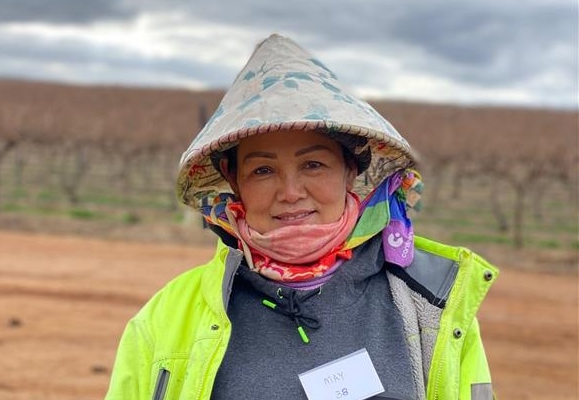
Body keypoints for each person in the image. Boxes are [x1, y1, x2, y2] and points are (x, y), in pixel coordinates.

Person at [106, 34, 498, 400]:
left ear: (351, 171)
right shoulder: (166, 319)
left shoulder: (429, 307)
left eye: (313, 164)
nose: (291, 192)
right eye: (262, 170)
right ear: (233, 180)